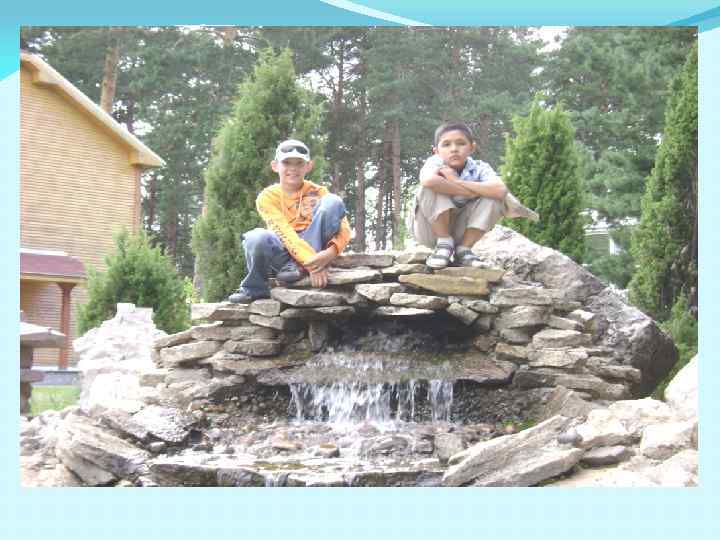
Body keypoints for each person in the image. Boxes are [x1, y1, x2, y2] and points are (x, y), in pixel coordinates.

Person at [228, 139, 351, 304]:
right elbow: (283, 232)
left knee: (333, 202)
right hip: (285, 254)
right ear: (275, 166)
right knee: (256, 237)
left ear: (309, 166)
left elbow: (344, 229)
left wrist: (330, 254)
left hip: (314, 249)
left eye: (299, 163)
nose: (293, 168)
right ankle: (255, 289)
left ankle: (299, 267)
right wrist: (311, 264)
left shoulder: (319, 192)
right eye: (286, 163)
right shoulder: (266, 197)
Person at [411, 122, 538, 269]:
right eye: (446, 144)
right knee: (429, 188)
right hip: (429, 229)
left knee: (494, 198)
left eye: (461, 143)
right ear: (436, 151)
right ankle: (444, 242)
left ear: (472, 147)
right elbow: (428, 180)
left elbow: (500, 190)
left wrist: (457, 181)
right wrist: (471, 192)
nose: (454, 149)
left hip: (461, 230)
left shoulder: (480, 168)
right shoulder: (434, 163)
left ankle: (463, 249)